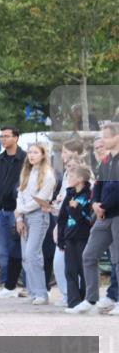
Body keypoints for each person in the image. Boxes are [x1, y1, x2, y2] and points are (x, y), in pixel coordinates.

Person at [75, 123, 119, 313]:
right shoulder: (107, 160)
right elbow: (98, 186)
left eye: (107, 137)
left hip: (116, 214)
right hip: (103, 215)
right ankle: (91, 299)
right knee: (89, 255)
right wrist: (95, 203)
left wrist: (104, 206)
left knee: (117, 259)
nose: (103, 140)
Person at [13, 143, 56, 305]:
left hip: (38, 216)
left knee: (33, 254)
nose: (31, 155)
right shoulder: (27, 172)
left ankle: (41, 293)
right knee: (25, 256)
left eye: (35, 152)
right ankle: (32, 291)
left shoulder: (48, 176)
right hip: (24, 216)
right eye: (30, 152)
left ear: (43, 155)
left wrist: (20, 210)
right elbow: (20, 195)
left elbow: (40, 200)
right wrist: (19, 218)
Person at [0, 126, 26, 298]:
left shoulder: (24, 159)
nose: (3, 139)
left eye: (6, 136)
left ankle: (27, 285)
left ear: (16, 138)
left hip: (17, 210)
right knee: (2, 249)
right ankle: (6, 284)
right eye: (1, 136)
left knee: (22, 248)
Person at [49, 139, 86, 306]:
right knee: (62, 263)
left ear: (74, 152)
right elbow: (66, 197)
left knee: (76, 264)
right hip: (65, 222)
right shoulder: (66, 174)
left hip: (77, 226)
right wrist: (58, 203)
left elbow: (81, 197)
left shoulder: (83, 172)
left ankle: (78, 296)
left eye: (64, 152)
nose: (62, 155)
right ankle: (68, 296)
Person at [60, 165, 95, 311]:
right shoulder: (70, 194)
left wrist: (76, 209)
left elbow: (88, 219)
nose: (69, 179)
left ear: (80, 179)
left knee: (82, 269)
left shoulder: (89, 196)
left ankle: (85, 300)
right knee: (70, 270)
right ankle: (73, 302)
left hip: (83, 237)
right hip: (69, 237)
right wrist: (61, 237)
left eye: (71, 176)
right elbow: (62, 217)